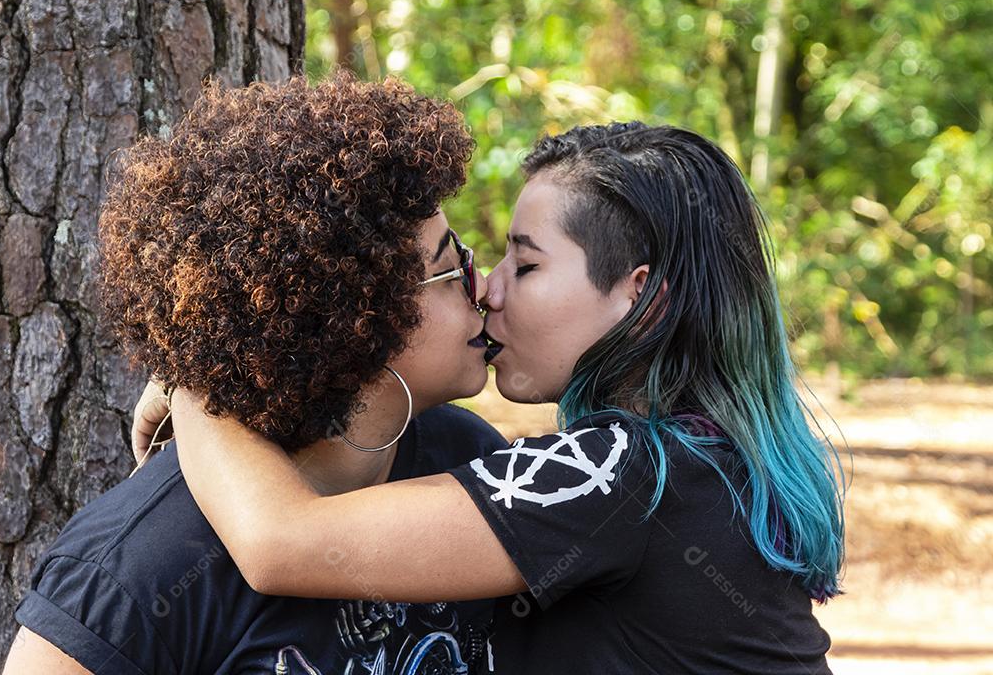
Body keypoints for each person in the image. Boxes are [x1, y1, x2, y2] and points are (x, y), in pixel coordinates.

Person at [163, 122, 847, 673]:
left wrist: (196, 374)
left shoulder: (622, 474)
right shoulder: (702, 461)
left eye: (525, 264)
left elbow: (281, 542)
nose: (489, 288)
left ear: (639, 297)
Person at [2, 74, 509, 674]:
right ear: (355, 319)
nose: (483, 286)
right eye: (451, 268)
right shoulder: (132, 572)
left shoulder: (467, 456)